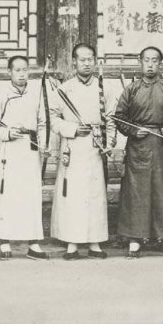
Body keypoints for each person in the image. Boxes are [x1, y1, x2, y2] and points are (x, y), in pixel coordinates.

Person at [114, 46, 163, 258]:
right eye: (147, 60)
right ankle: (135, 239)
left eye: (155, 60)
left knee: (162, 193)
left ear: (160, 63)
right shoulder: (131, 89)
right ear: (140, 62)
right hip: (138, 147)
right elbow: (119, 118)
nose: (151, 64)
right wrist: (134, 130)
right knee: (136, 193)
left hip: (161, 147)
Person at [50, 43, 116, 260]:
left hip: (95, 146)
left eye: (90, 59)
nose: (87, 63)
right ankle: (72, 243)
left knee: (95, 194)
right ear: (74, 62)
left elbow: (112, 118)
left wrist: (110, 142)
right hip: (73, 147)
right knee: (73, 195)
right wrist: (72, 129)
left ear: (95, 62)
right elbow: (53, 119)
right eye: (82, 59)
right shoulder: (64, 89)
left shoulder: (103, 88)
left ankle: (95, 242)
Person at [0, 56, 48, 260]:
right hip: (11, 149)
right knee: (8, 195)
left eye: (25, 70)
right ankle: (5, 242)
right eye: (17, 70)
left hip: (30, 149)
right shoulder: (1, 95)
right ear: (9, 72)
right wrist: (7, 134)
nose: (22, 74)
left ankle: (33, 243)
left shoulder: (36, 93)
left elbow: (42, 122)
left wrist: (44, 144)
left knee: (31, 196)